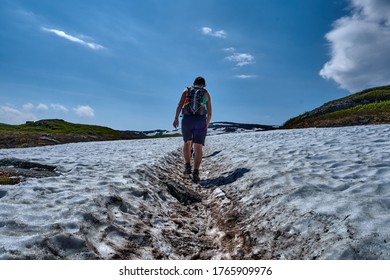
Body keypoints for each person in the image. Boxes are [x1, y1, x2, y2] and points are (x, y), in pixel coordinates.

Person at [173, 76, 212, 182]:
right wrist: (206, 124)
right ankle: (196, 172)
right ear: (203, 85)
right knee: (198, 147)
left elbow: (180, 105)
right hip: (200, 120)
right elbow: (209, 112)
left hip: (187, 119)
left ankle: (187, 166)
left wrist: (176, 118)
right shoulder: (206, 93)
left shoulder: (187, 90)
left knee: (187, 143)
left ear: (194, 83)